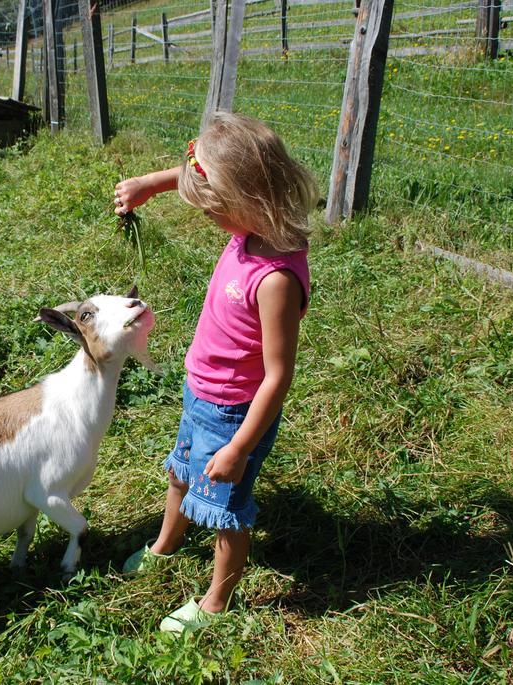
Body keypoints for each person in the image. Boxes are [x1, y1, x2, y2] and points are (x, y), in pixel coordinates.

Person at [113, 111, 319, 632]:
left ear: (249, 199)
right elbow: (206, 173)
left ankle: (215, 605)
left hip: (234, 415)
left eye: (215, 210)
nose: (210, 219)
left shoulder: (275, 279)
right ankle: (166, 543)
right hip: (201, 393)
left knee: (227, 509)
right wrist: (152, 184)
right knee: (180, 473)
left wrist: (239, 447)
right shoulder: (251, 230)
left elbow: (277, 376)